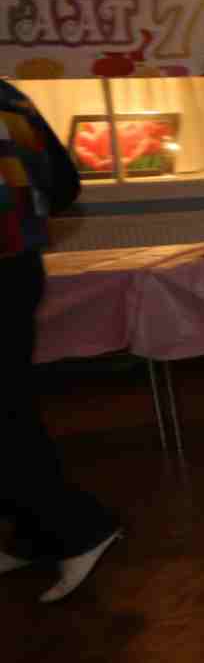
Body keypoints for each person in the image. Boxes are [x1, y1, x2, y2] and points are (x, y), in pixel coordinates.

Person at [0, 78, 123, 603]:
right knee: (11, 408)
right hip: (16, 269)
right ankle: (38, 534)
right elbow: (63, 186)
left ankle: (76, 528)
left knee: (6, 414)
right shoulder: (8, 97)